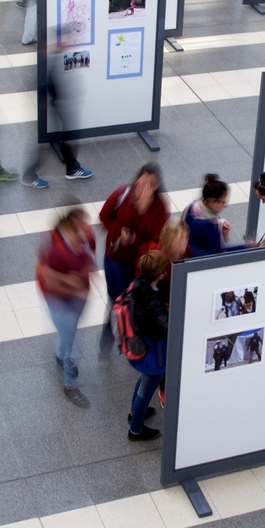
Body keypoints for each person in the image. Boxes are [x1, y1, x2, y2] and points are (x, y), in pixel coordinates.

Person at [37, 208, 97, 407]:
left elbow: (90, 259)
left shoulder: (84, 239)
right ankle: (70, 386)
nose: (84, 230)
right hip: (61, 304)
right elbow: (48, 280)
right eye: (78, 228)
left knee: (68, 339)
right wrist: (69, 285)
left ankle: (61, 355)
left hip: (77, 300)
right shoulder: (57, 253)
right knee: (73, 342)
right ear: (67, 230)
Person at [100, 163, 170, 320]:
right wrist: (119, 232)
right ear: (136, 180)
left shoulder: (159, 206)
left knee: (134, 298)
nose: (145, 188)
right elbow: (104, 216)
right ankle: (114, 321)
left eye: (151, 185)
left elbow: (158, 238)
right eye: (142, 182)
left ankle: (126, 325)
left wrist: (134, 239)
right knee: (117, 295)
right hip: (116, 257)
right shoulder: (123, 195)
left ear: (156, 186)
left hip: (140, 262)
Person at [123, 251, 169, 442]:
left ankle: (135, 414)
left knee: (143, 382)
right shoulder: (153, 301)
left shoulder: (137, 284)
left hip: (137, 343)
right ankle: (136, 430)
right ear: (159, 275)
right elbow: (167, 328)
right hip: (152, 353)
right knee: (146, 389)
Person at [184, 174, 236, 256]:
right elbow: (219, 253)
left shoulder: (193, 206)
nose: (224, 206)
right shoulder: (209, 227)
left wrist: (220, 223)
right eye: (222, 202)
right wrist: (247, 247)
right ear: (212, 200)